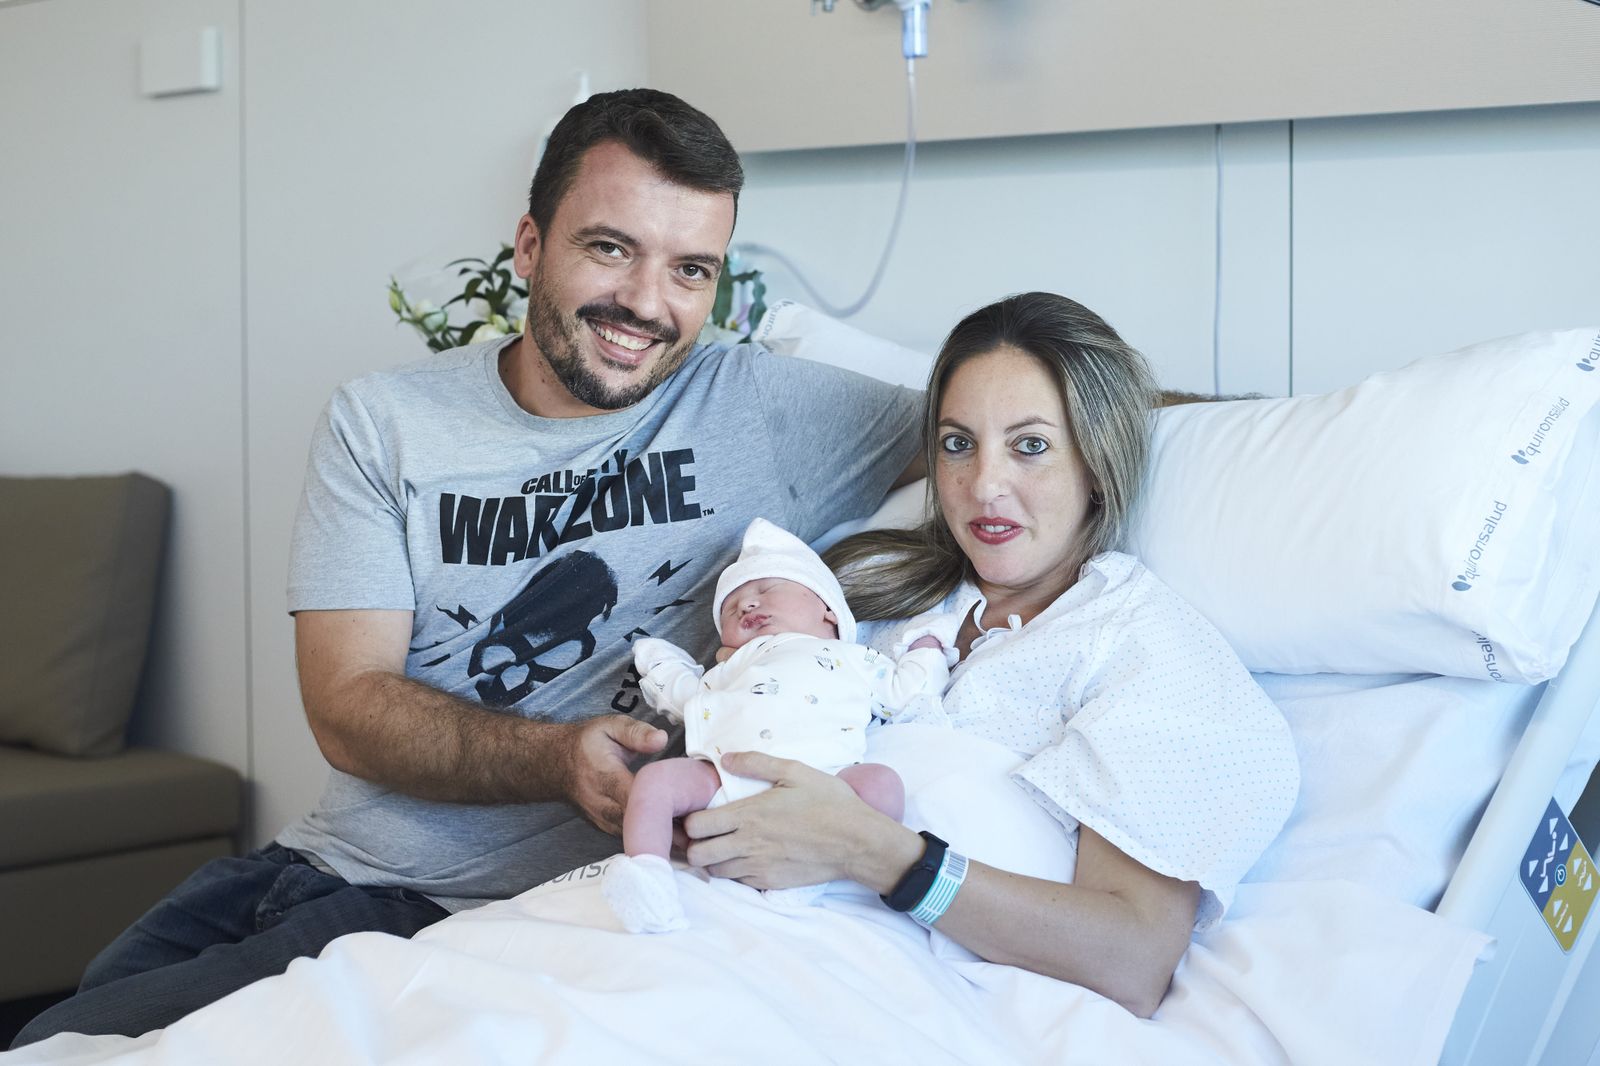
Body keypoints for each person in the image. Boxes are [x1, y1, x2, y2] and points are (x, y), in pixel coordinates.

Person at [13, 88, 923, 1047]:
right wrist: (554, 758)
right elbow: (347, 706)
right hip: (316, 863)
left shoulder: (765, 408)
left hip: (459, 919)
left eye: (690, 269)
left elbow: (1016, 427)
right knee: (63, 1029)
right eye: (610, 247)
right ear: (529, 246)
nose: (647, 305)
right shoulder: (385, 422)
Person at [672, 292, 1300, 1019]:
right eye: (958, 443)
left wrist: (882, 857)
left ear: (1097, 462)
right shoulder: (858, 589)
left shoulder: (1140, 647)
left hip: (883, 990)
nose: (983, 486)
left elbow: (1130, 957)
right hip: (723, 928)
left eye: (1030, 445)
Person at [602, 517, 948, 932]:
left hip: (827, 784)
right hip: (725, 776)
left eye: (766, 591)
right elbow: (687, 697)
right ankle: (649, 878)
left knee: (881, 784)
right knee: (656, 781)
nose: (747, 604)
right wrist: (661, 663)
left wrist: (926, 644)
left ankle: (815, 873)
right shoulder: (737, 664)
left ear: (828, 610)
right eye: (732, 608)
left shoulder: (856, 660)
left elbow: (909, 692)